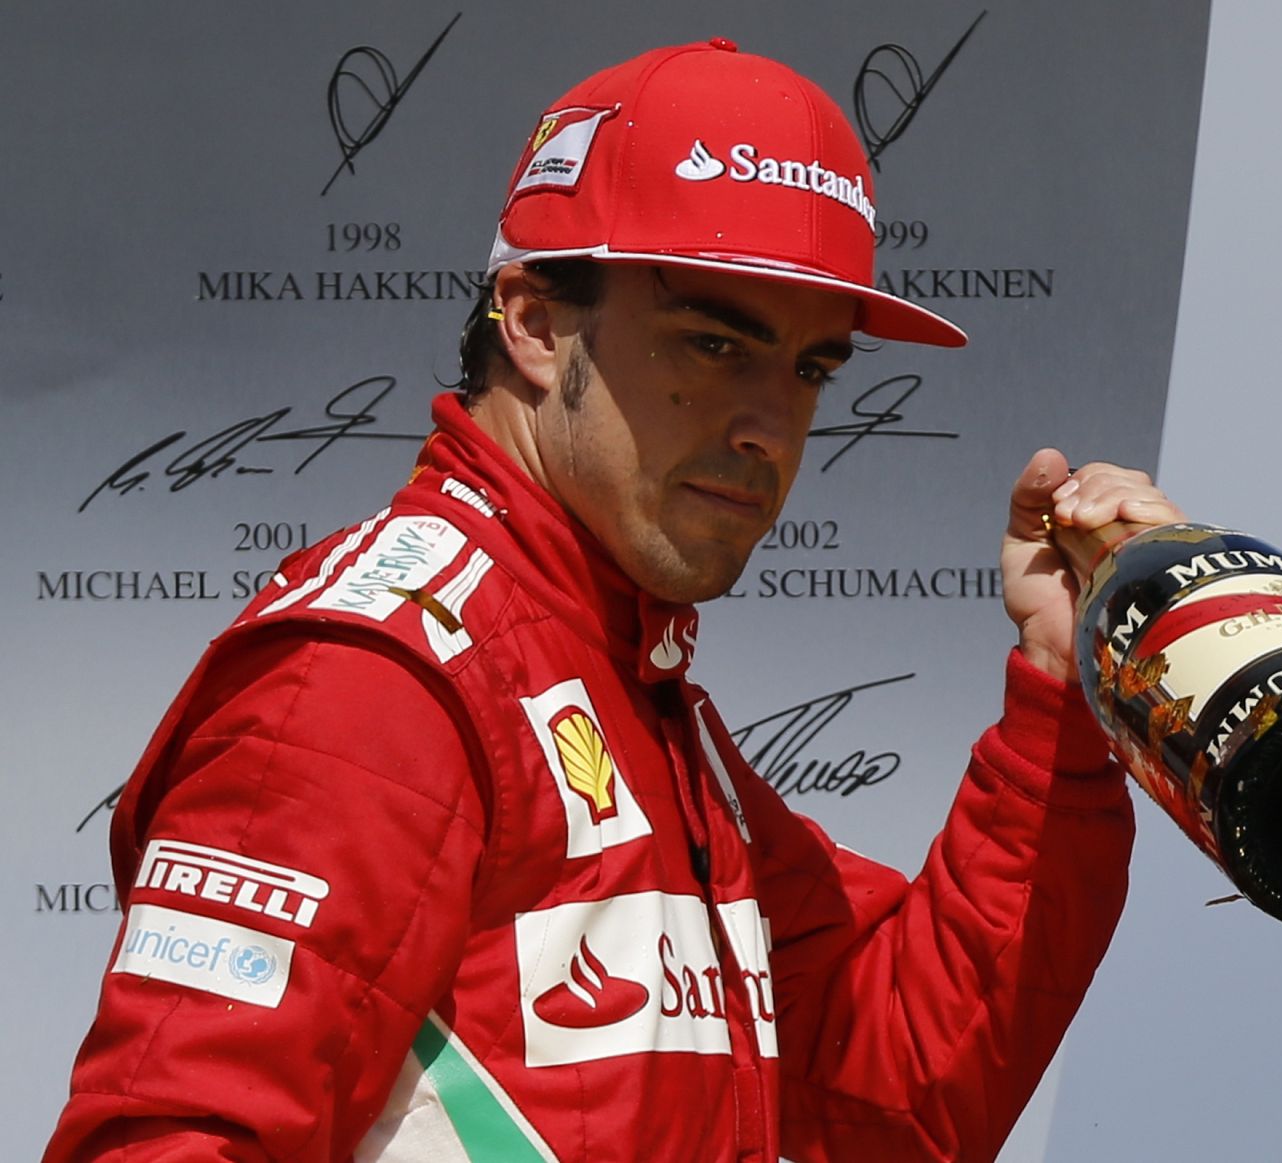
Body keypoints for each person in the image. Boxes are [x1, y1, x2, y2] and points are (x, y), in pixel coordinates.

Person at [45, 38, 1183, 1163]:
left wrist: (1055, 696)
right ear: (534, 322)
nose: (770, 425)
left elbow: (893, 1100)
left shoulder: (628, 689)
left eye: (809, 368)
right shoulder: (374, 682)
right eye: (713, 340)